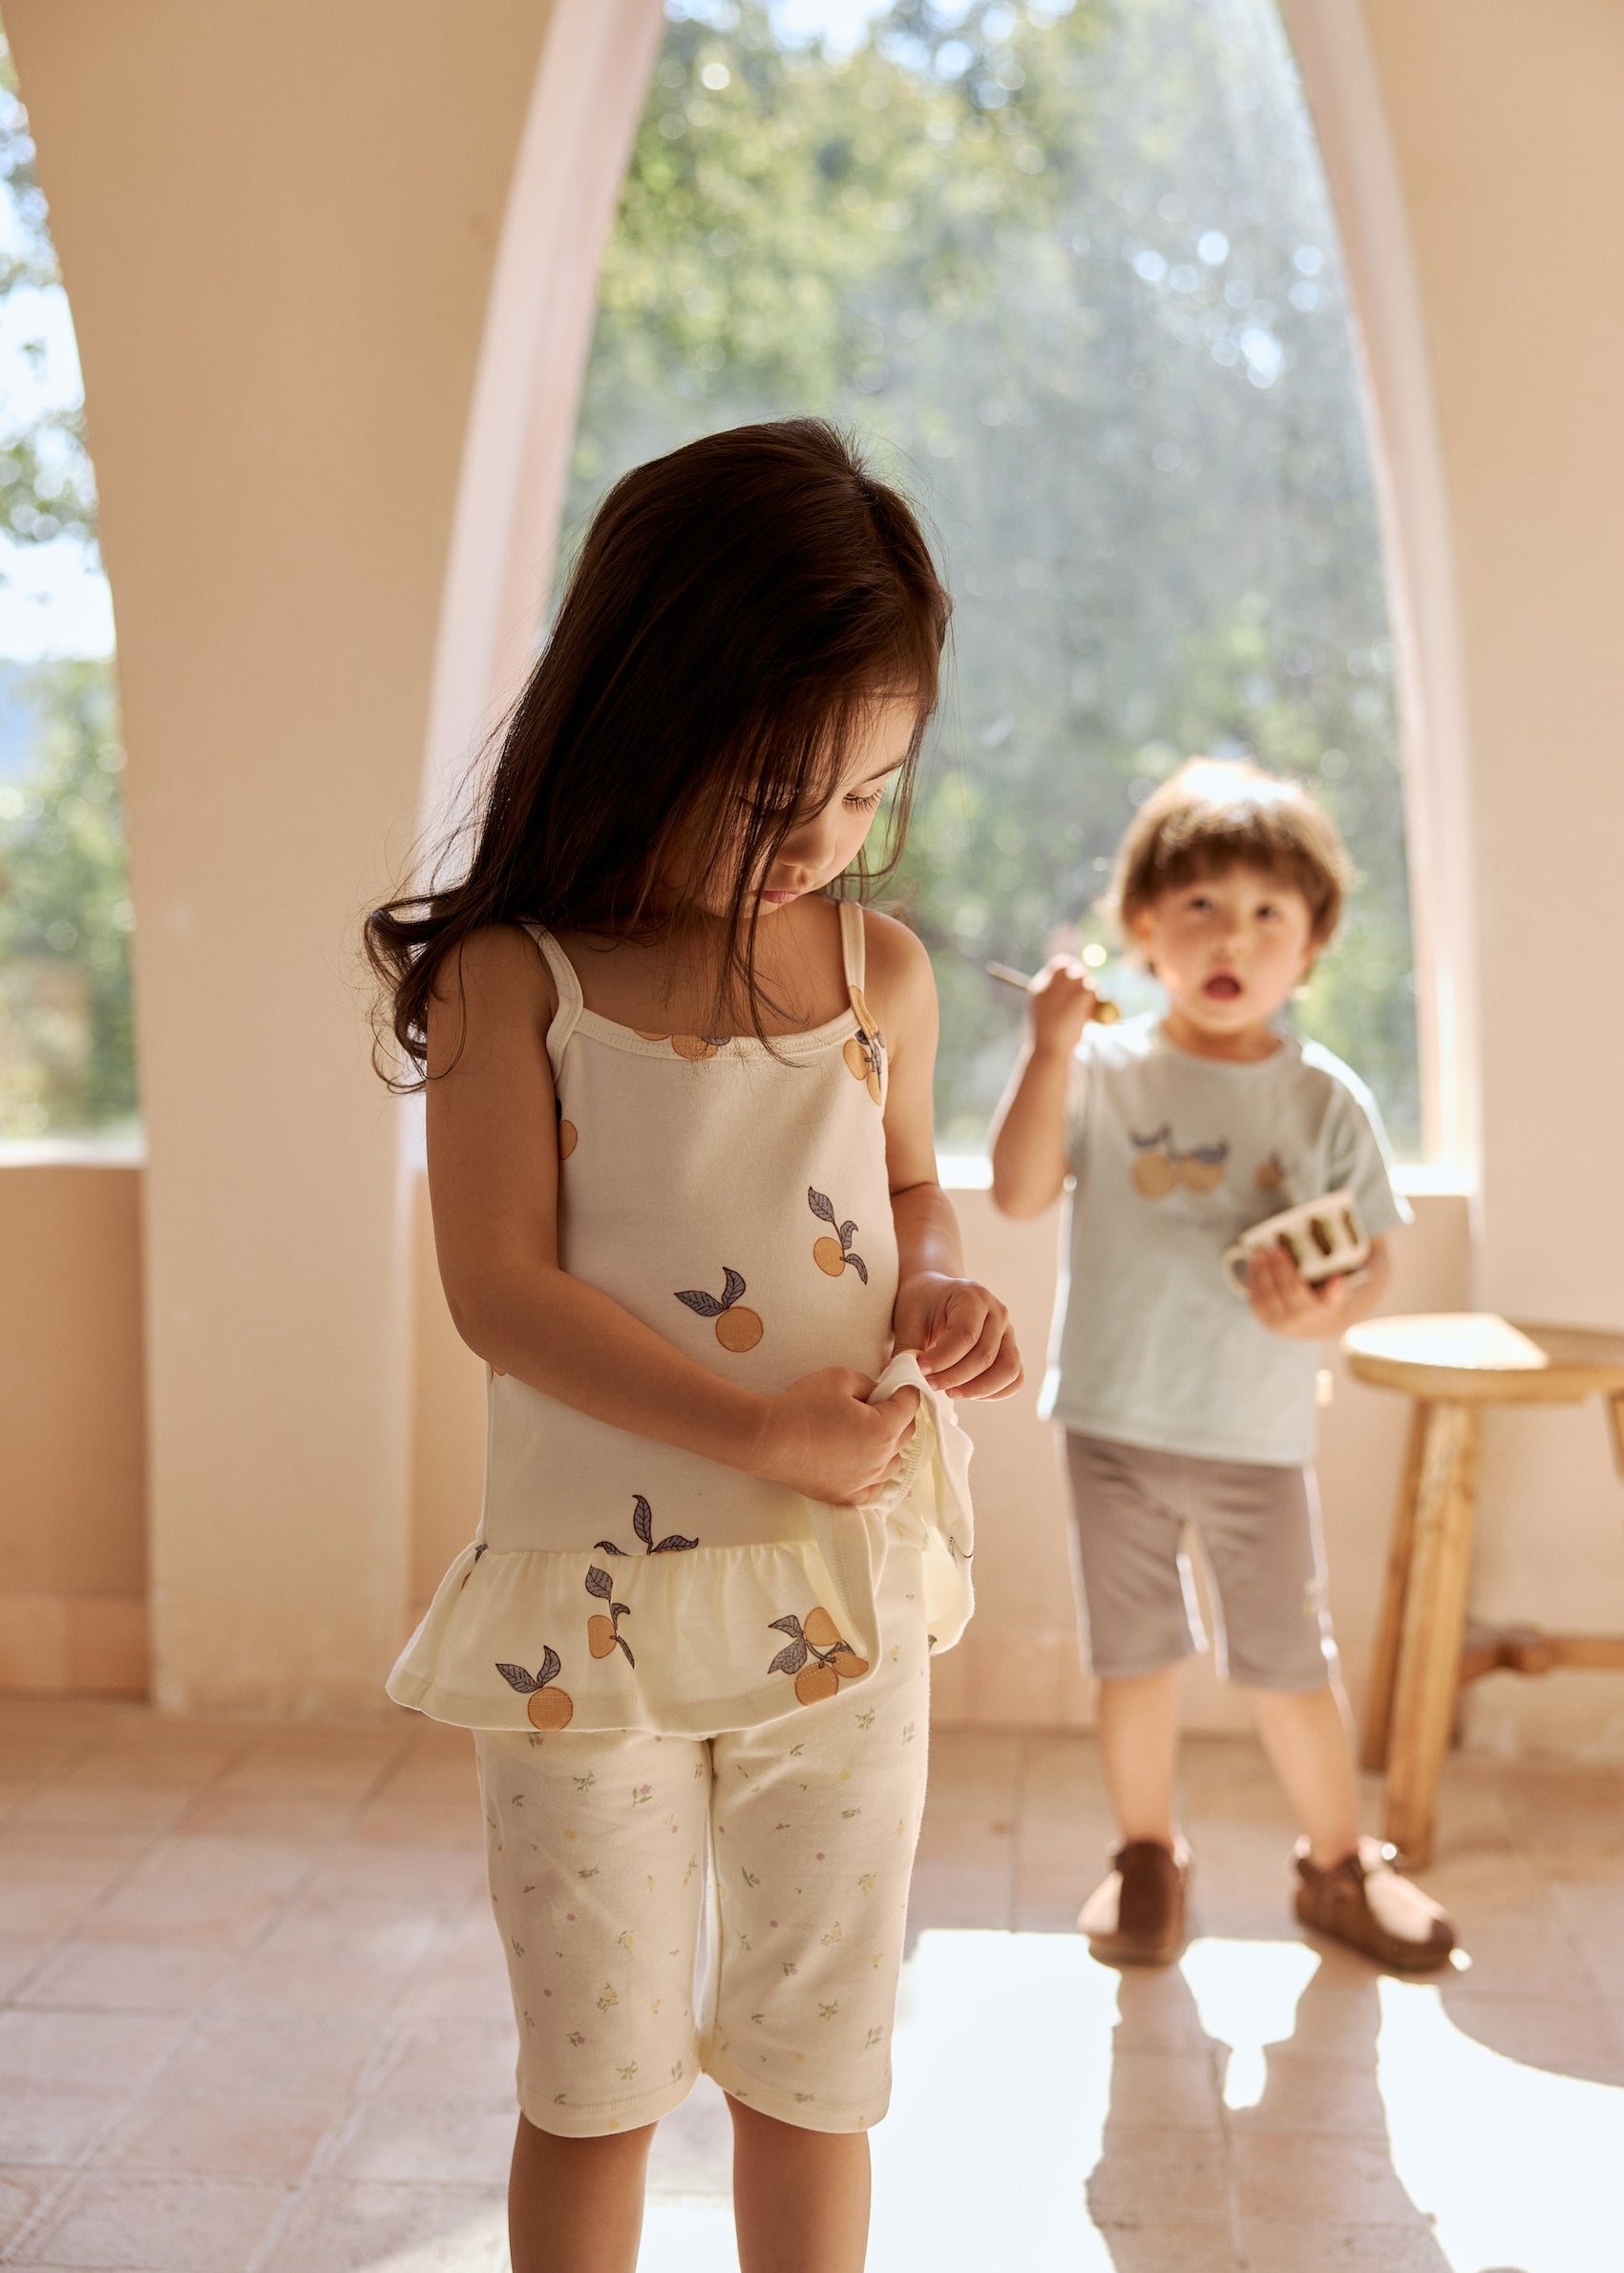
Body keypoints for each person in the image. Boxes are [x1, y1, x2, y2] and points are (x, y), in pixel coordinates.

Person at [366, 420, 1021, 2273]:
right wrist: (757, 1426)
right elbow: (497, 1290)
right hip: (595, 1625)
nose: (816, 847)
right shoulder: (513, 981)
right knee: (594, 2074)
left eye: (863, 797)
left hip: (844, 1590)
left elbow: (907, 1197)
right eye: (767, 801)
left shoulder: (870, 970)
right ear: (638, 715)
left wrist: (945, 1286)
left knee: (818, 2063)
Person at [988, 757, 1453, 1972]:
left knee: (1291, 1665)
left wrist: (1314, 1317)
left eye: (1267, 913)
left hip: (1255, 1437)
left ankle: (1339, 1867)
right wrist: (1045, 1048)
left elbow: (1372, 1275)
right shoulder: (1100, 1070)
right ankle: (1147, 1855)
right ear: (1143, 930)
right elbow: (1025, 1192)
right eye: (1199, 906)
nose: (1231, 935)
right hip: (1113, 1424)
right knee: (1133, 1658)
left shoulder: (1325, 1099)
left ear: (1310, 948)